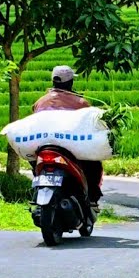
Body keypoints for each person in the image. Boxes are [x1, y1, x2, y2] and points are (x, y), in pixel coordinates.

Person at [33, 65, 103, 206]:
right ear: (70, 82)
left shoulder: (40, 102)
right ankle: (92, 198)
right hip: (69, 148)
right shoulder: (80, 103)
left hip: (45, 145)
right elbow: (90, 123)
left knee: (34, 162)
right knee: (94, 165)